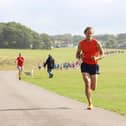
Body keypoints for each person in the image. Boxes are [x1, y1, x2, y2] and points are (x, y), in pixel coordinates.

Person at [76, 26, 104, 110]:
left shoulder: (96, 43)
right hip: (85, 64)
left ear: (93, 34)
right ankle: (90, 103)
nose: (89, 35)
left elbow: (103, 54)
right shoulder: (81, 43)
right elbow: (77, 54)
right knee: (87, 83)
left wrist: (97, 58)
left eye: (91, 33)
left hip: (94, 65)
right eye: (88, 33)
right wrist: (80, 56)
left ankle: (90, 92)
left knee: (93, 87)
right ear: (85, 33)